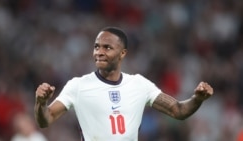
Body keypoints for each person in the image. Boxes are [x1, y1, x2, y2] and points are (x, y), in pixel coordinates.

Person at [34, 26, 214, 141]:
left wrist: (197, 99)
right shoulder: (78, 86)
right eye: (97, 46)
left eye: (107, 47)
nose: (99, 52)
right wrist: (40, 103)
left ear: (123, 53)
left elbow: (179, 111)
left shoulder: (139, 84)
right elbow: (46, 120)